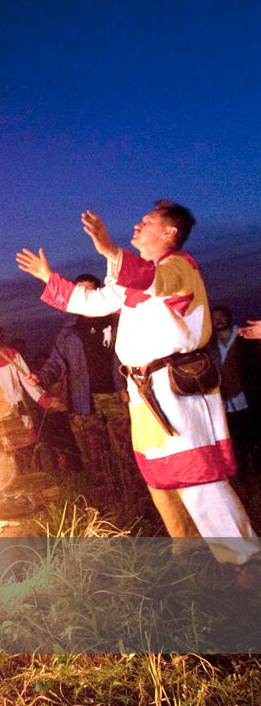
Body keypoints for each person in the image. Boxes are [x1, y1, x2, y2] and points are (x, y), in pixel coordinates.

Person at [17, 201, 261, 583]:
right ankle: (191, 557)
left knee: (197, 477)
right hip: (146, 394)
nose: (137, 224)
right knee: (161, 479)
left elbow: (152, 281)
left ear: (168, 234)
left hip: (176, 392)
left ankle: (245, 564)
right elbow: (96, 302)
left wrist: (111, 250)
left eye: (147, 222)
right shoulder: (135, 280)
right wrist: (49, 276)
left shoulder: (180, 267)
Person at [35, 274, 132, 480]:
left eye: (89, 290)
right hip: (83, 401)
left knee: (128, 452)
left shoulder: (118, 323)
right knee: (95, 456)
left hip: (118, 396)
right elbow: (56, 363)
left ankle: (139, 506)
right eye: (79, 290)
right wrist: (40, 378)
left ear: (98, 293)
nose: (84, 294)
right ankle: (106, 504)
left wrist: (129, 386)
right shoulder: (69, 332)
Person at [0, 321, 61, 469]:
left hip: (17, 410)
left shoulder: (12, 355)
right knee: (4, 457)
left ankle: (35, 484)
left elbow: (28, 381)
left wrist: (45, 400)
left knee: (26, 451)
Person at [209, 306, 258, 484]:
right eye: (215, 318)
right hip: (226, 406)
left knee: (254, 437)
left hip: (249, 399)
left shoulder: (244, 337)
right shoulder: (210, 345)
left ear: (229, 317)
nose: (219, 320)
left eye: (222, 316)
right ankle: (246, 480)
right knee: (237, 445)